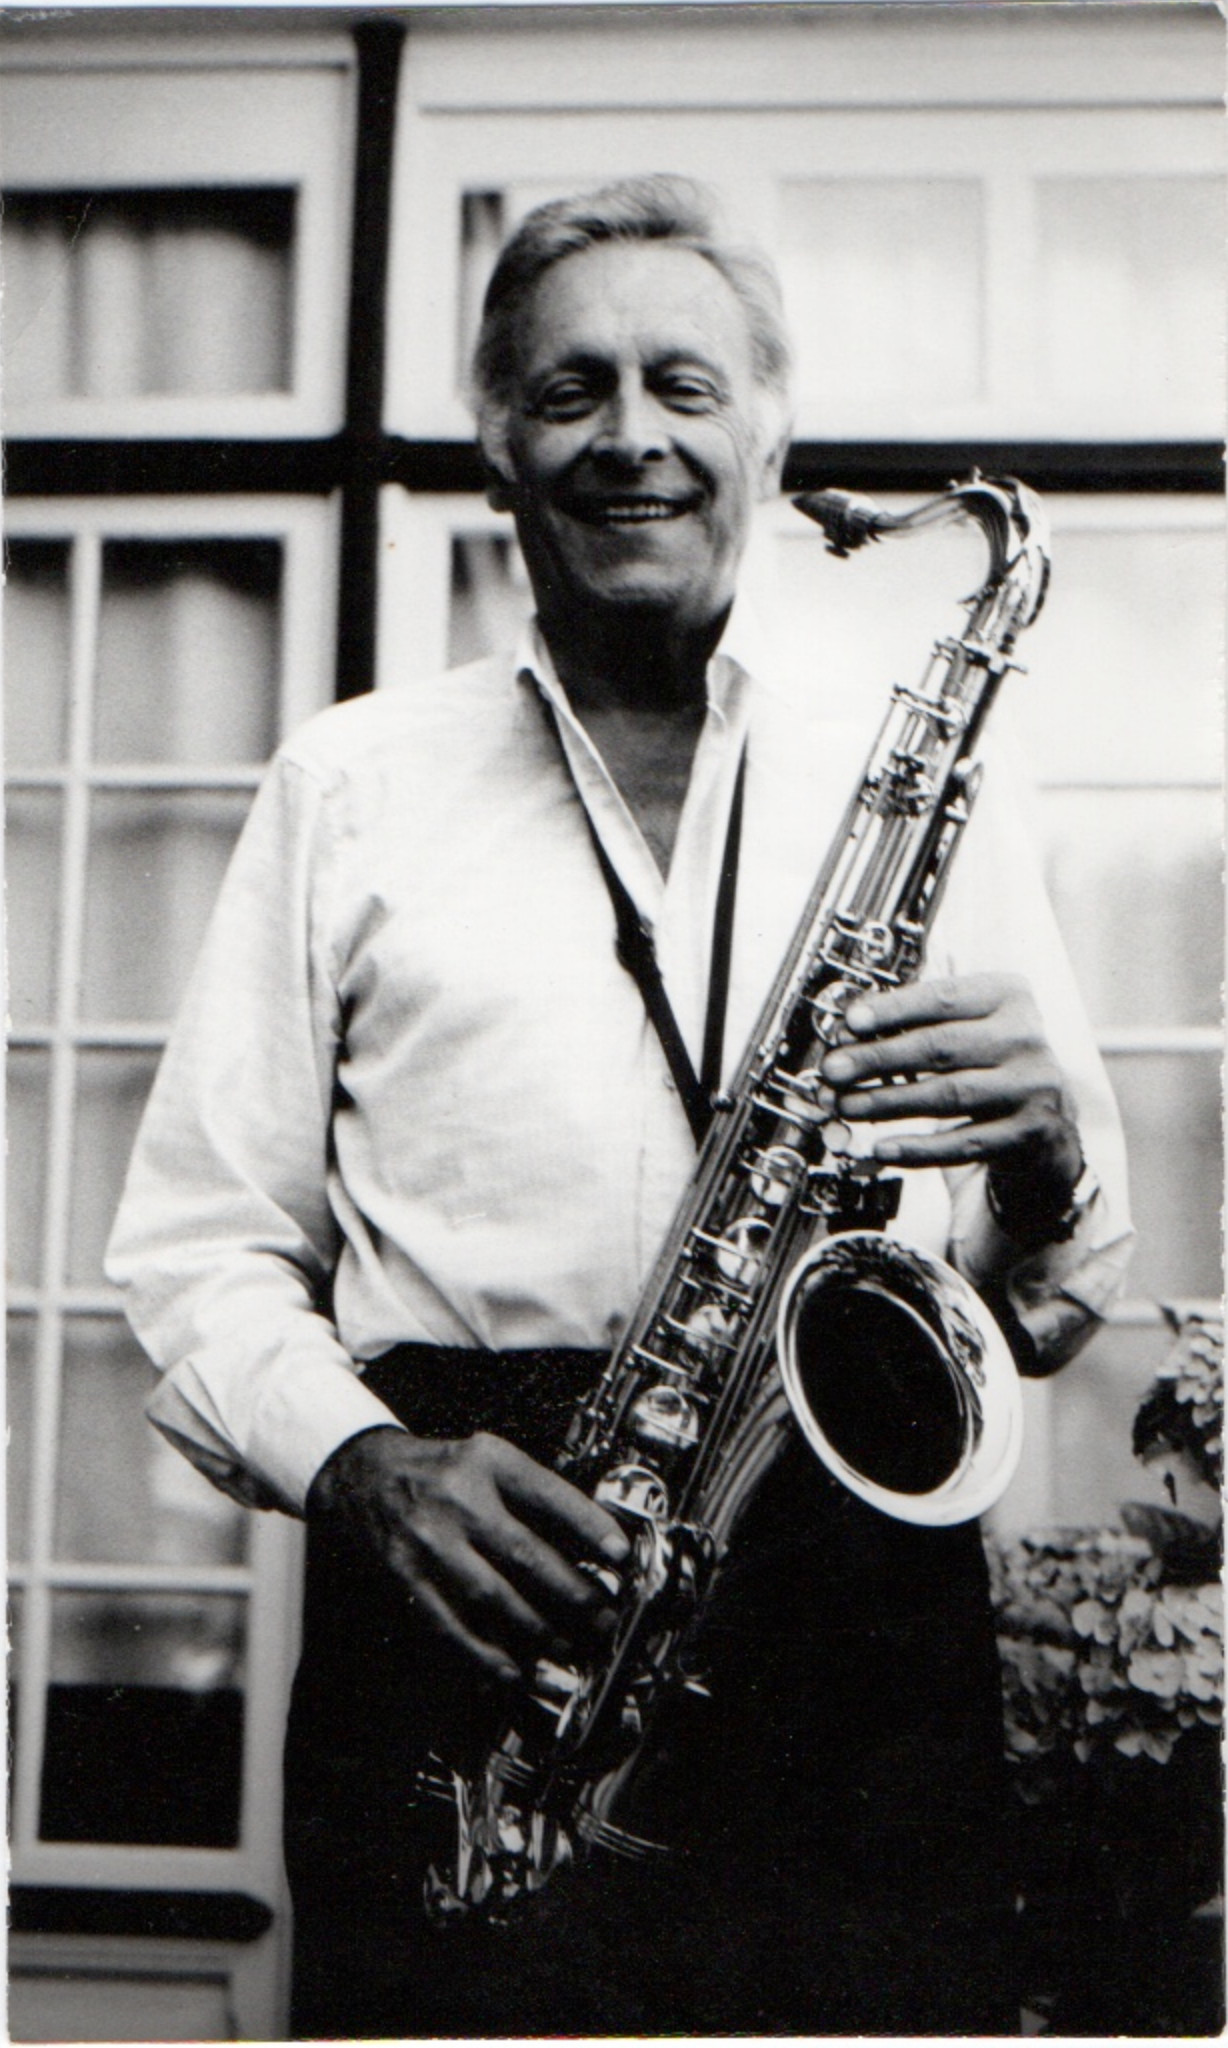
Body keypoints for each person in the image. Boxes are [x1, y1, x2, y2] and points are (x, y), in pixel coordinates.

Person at [107, 175, 1131, 2036]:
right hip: (472, 1593)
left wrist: (1049, 1164)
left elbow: (1052, 1298)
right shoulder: (352, 783)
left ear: (769, 433)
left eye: (684, 383)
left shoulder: (919, 768)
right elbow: (196, 1251)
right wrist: (365, 1469)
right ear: (497, 441)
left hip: (848, 1610)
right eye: (571, 390)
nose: (630, 437)